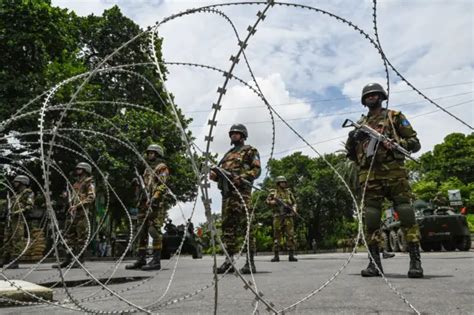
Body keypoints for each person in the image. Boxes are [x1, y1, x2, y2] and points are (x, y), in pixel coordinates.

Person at [345, 82, 423, 278]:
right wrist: (355, 136)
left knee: (405, 213)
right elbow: (351, 154)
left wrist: (396, 143)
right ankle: (374, 264)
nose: (371, 97)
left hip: (395, 173)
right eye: (368, 95)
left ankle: (415, 262)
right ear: (364, 101)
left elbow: (415, 143)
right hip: (370, 176)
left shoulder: (394, 117)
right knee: (371, 218)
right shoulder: (361, 124)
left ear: (381, 96)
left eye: (375, 94)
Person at [210, 124, 261, 274]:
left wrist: (243, 177)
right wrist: (214, 176)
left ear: (243, 135)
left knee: (247, 227)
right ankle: (229, 261)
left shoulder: (250, 151)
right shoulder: (227, 155)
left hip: (242, 195)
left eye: (236, 133)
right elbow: (219, 175)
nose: (233, 135)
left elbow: (256, 170)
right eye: (232, 133)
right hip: (227, 196)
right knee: (227, 228)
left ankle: (249, 262)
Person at [126, 144, 169, 271]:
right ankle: (141, 259)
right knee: (142, 232)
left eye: (152, 153)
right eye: (148, 153)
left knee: (153, 230)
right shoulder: (146, 170)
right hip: (143, 204)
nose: (149, 155)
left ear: (158, 154)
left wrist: (155, 197)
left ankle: (156, 261)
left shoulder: (162, 168)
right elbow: (143, 187)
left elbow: (162, 185)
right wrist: (137, 184)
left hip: (155, 204)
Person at [53, 162, 95, 268]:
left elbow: (91, 198)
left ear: (85, 170)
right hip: (72, 213)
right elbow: (72, 198)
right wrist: (67, 197)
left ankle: (79, 260)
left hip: (82, 213)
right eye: (77, 169)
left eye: (80, 169)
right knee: (69, 238)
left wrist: (78, 206)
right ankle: (68, 259)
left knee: (81, 238)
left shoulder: (89, 184)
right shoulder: (76, 184)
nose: (77, 170)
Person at [1, 175, 34, 269]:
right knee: (7, 239)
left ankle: (15, 260)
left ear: (22, 183)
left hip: (18, 220)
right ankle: (5, 259)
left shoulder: (27, 193)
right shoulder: (16, 195)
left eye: (17, 182)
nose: (14, 183)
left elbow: (29, 206)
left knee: (17, 240)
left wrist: (17, 212)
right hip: (11, 220)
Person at [266, 176, 298, 262]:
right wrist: (275, 202)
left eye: (284, 182)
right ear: (278, 183)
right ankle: (276, 256)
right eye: (281, 182)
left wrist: (294, 210)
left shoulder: (289, 192)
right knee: (277, 236)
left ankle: (291, 255)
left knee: (290, 235)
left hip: (288, 216)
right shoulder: (273, 193)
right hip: (278, 217)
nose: (283, 183)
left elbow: (294, 203)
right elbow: (267, 202)